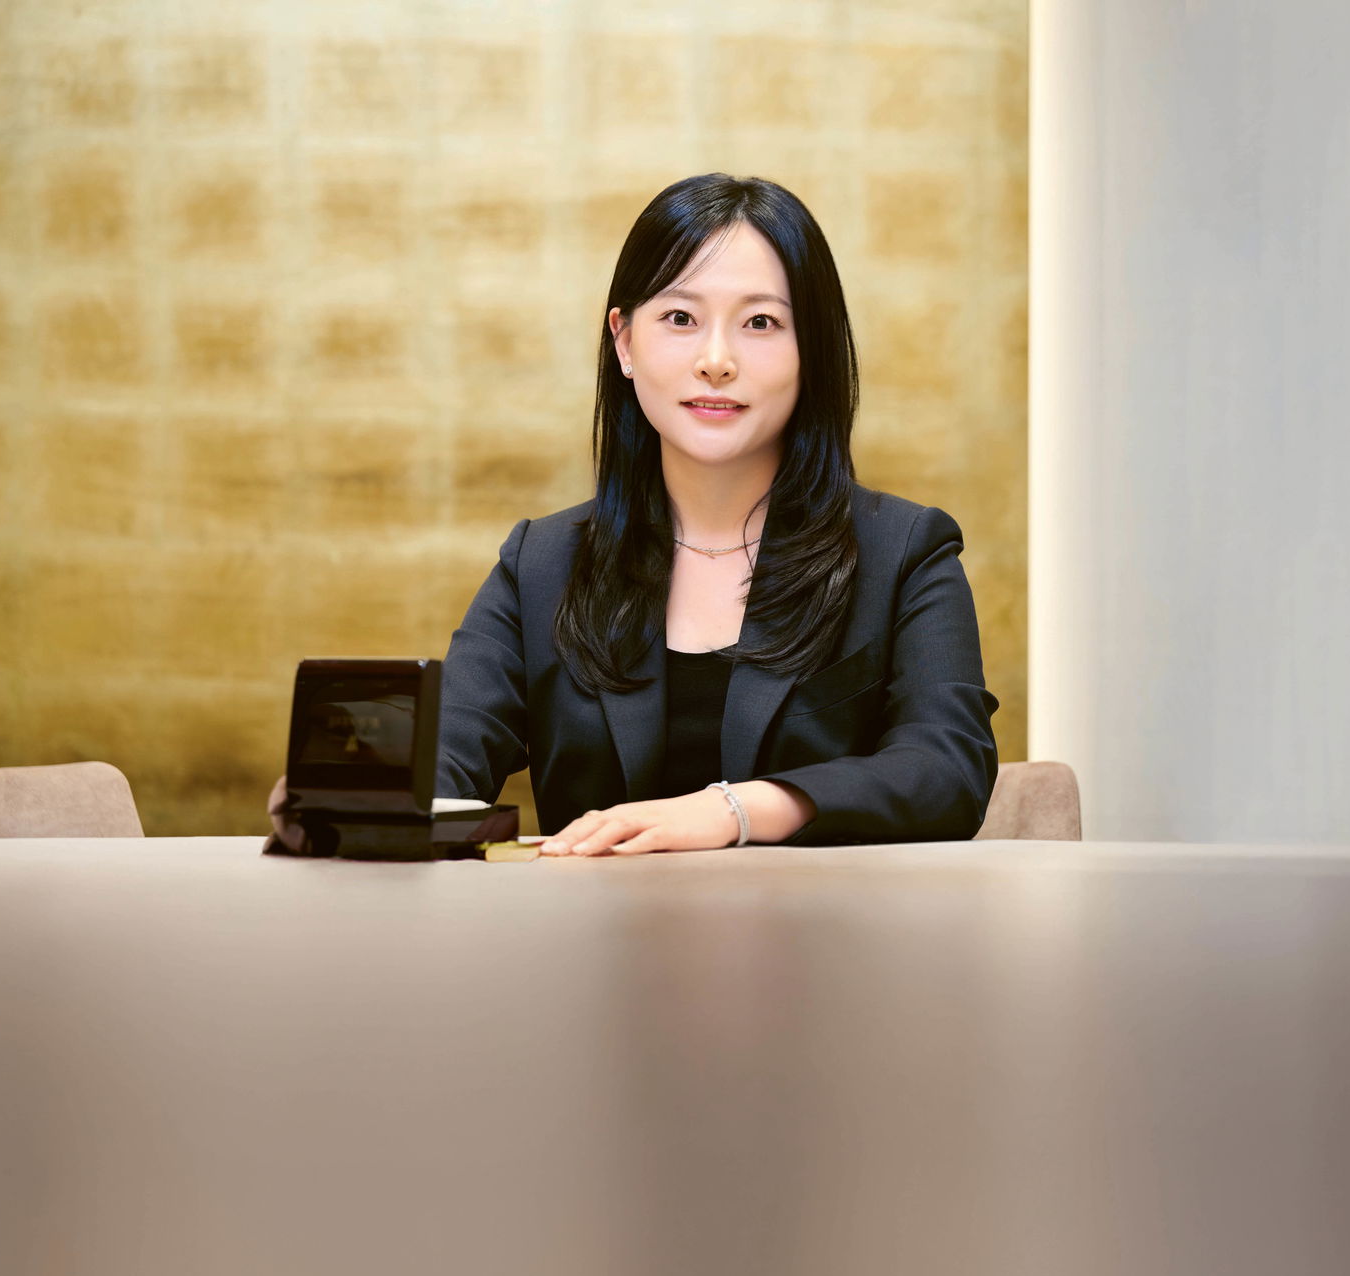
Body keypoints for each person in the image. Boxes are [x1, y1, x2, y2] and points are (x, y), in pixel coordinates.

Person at [272, 172, 999, 855]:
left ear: (811, 348)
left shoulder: (902, 552)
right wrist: (356, 791)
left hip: (821, 962)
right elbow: (450, 757)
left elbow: (946, 769)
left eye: (762, 323)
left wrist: (730, 811)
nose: (716, 359)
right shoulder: (544, 563)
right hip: (591, 965)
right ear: (624, 341)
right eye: (680, 317)